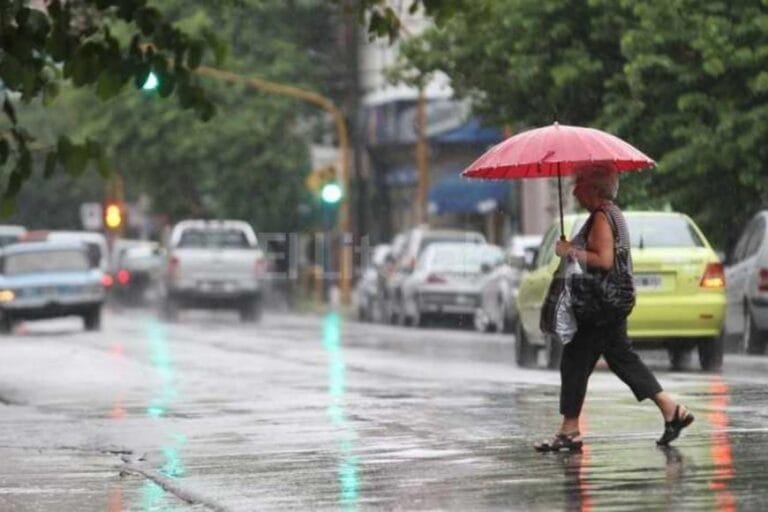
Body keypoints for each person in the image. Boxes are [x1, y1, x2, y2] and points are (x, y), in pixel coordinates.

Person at [534, 164, 694, 452]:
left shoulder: (601, 217)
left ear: (595, 188)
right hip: (611, 302)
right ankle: (672, 411)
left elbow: (604, 260)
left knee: (574, 361)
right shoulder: (612, 213)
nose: (574, 189)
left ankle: (570, 430)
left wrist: (569, 250)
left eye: (580, 183)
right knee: (621, 359)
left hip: (600, 304)